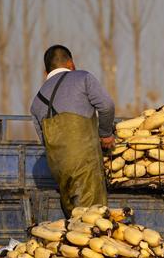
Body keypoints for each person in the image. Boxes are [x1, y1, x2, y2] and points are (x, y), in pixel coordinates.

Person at [30, 45, 115, 217]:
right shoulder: (82, 78)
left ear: (46, 72)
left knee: (74, 221)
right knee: (92, 221)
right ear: (71, 63)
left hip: (59, 170)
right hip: (84, 165)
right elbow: (106, 106)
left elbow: (45, 141)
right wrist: (105, 134)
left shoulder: (36, 101)